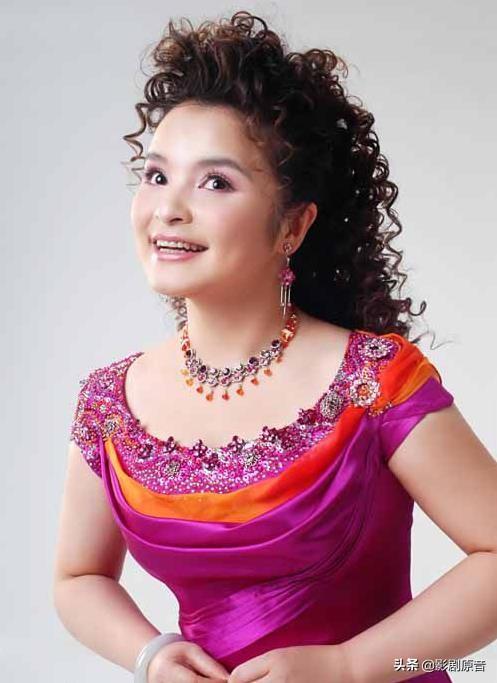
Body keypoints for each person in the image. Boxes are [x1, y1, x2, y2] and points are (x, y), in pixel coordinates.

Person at [52, 10, 497, 683]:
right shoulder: (109, 402)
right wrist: (151, 654)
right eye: (156, 175)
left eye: (215, 182)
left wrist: (350, 666)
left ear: (292, 226)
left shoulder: (373, 380)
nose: (168, 208)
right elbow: (77, 575)